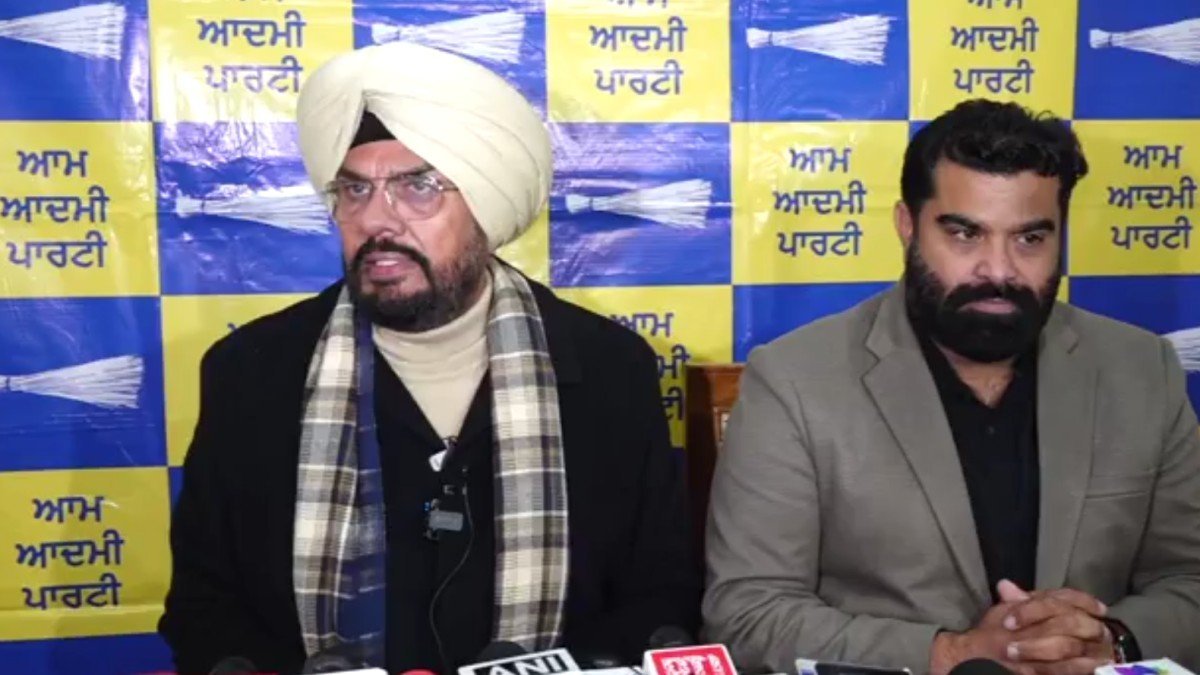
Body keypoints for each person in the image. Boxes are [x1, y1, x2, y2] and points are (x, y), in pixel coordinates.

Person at [159, 41, 699, 675]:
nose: (377, 221)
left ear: (485, 208)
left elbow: (661, 593)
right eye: (354, 190)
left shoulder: (607, 369)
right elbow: (203, 604)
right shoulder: (254, 371)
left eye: (418, 187)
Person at [702, 99, 1200, 674]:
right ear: (907, 226)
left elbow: (1189, 576)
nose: (999, 270)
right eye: (965, 233)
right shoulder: (795, 380)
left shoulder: (1141, 369)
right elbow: (747, 614)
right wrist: (953, 654)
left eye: (1030, 239)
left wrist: (1110, 640)